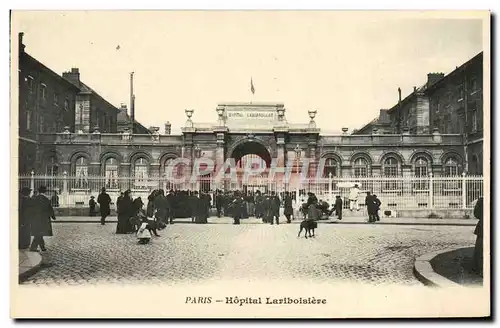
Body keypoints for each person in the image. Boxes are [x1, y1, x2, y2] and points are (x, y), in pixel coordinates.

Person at [29, 186, 56, 252]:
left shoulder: (35, 198)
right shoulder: (46, 199)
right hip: (43, 219)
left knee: (39, 233)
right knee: (39, 233)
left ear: (38, 191)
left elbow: (31, 208)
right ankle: (33, 248)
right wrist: (53, 216)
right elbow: (50, 208)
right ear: (45, 191)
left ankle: (42, 247)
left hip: (35, 218)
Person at [473, 197, 483, 276]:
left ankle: (478, 268)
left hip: (482, 227)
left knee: (480, 249)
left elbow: (476, 214)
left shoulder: (482, 200)